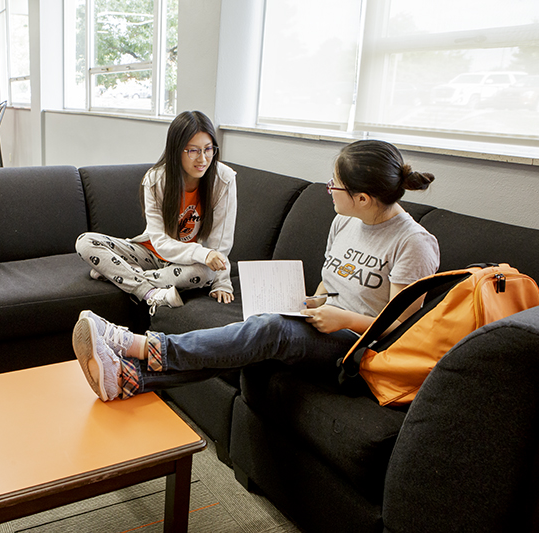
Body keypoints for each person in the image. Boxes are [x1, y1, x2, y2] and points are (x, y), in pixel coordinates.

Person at [72, 139, 440, 402]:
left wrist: (341, 319)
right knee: (259, 326)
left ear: (362, 198)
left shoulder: (413, 243)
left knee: (270, 329)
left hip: (361, 348)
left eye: (335, 185)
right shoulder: (345, 222)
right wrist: (312, 300)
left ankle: (142, 345)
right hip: (327, 323)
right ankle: (131, 379)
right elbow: (330, 285)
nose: (329, 190)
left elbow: (402, 328)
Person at [75, 110, 237, 316]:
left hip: (185, 264)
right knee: (85, 241)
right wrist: (202, 253)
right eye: (193, 151)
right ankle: (150, 293)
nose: (203, 159)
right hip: (150, 253)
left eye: (208, 149)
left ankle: (117, 274)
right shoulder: (155, 180)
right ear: (177, 150)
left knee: (206, 272)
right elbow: (160, 242)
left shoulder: (223, 179)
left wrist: (221, 283)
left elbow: (221, 241)